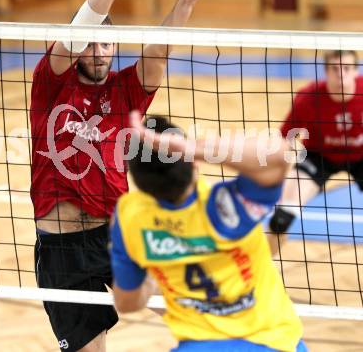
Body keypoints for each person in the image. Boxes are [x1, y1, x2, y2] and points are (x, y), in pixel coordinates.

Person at [30, 0, 214, 351]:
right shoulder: (50, 84)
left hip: (118, 234)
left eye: (106, 43)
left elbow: (159, 53)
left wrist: (184, 4)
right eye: (91, 43)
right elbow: (77, 31)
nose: (99, 52)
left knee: (188, 310)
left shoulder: (126, 89)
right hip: (62, 250)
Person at [111, 111, 307, 352]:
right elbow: (280, 153)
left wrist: (152, 279)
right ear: (192, 162)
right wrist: (192, 147)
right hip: (273, 341)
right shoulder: (225, 206)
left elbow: (127, 302)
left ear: (137, 179)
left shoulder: (129, 218)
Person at [268, 50, 363, 255]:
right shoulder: (309, 98)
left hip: (360, 156)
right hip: (319, 157)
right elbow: (284, 138)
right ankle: (261, 271)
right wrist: (277, 171)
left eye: (346, 68)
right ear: (325, 72)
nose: (340, 75)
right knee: (281, 218)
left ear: (356, 71)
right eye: (334, 69)